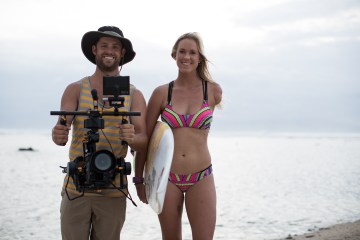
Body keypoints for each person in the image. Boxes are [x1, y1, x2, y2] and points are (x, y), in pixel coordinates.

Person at [52, 26, 147, 240]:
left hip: (113, 191)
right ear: (94, 49)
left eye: (115, 47)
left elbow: (144, 142)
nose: (109, 51)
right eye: (104, 45)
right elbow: (61, 129)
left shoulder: (134, 94)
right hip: (76, 189)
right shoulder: (76, 89)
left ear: (122, 53)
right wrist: (58, 134)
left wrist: (132, 138)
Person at [135, 32, 222, 240]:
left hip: (201, 175)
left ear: (199, 57)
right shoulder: (161, 93)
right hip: (167, 177)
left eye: (192, 52)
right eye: (182, 51)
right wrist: (139, 179)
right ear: (174, 55)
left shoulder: (213, 91)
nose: (187, 57)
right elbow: (145, 140)